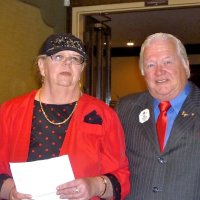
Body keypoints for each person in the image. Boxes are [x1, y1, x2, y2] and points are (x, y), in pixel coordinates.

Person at [0, 33, 130, 200]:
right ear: (41, 65)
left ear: (81, 68)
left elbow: (121, 176)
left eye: (75, 59)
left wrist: (95, 186)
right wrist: (10, 190)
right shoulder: (9, 112)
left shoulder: (104, 115)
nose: (67, 63)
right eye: (59, 56)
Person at [116, 32, 200, 200]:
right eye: (150, 65)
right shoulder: (125, 109)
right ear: (142, 72)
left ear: (186, 66)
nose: (159, 71)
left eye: (167, 62)